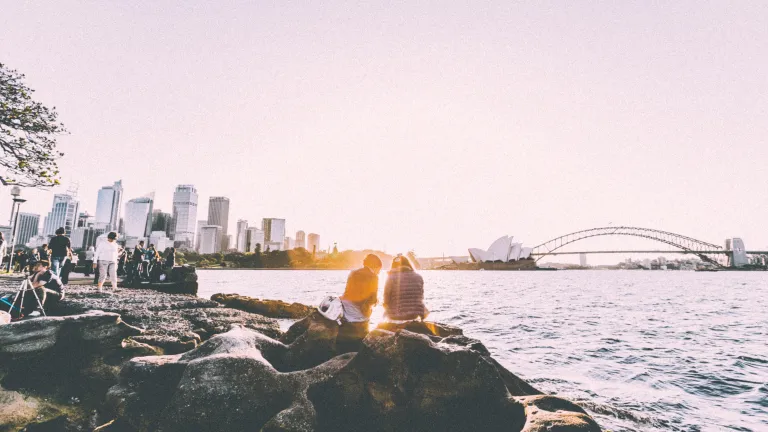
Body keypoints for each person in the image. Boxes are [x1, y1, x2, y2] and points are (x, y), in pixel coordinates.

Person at [337, 254, 383, 350]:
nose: (379, 272)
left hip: (345, 311)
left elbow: (348, 292)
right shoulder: (374, 277)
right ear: (374, 266)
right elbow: (372, 299)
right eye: (379, 269)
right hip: (359, 317)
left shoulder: (353, 273)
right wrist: (377, 301)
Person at [383, 255, 429, 321]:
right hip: (415, 315)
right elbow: (421, 296)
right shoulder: (418, 277)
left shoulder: (391, 277)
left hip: (395, 315)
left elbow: (386, 299)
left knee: (384, 316)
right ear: (408, 264)